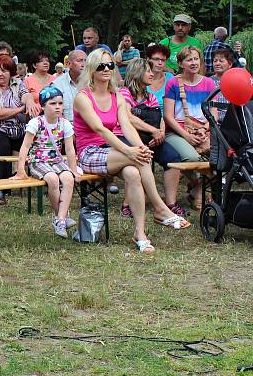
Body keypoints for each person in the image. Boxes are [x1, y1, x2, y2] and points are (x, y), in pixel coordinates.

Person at [73, 50, 189, 255]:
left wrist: (140, 147)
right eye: (101, 66)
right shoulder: (83, 97)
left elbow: (126, 126)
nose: (107, 69)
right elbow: (100, 129)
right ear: (92, 69)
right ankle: (161, 209)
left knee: (135, 171)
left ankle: (140, 234)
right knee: (138, 159)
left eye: (110, 65)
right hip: (89, 152)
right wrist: (129, 150)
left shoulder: (116, 95)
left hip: (113, 151)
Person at [119, 58, 185, 217]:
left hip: (153, 137)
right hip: (127, 137)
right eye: (148, 71)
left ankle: (171, 203)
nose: (151, 74)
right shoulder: (124, 93)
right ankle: (127, 204)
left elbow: (160, 117)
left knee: (173, 158)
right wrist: (153, 131)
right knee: (140, 157)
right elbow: (129, 118)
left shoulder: (151, 97)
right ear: (137, 73)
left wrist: (160, 133)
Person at [13, 86, 80, 237]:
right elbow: (25, 146)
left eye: (60, 103)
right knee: (52, 179)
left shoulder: (65, 124)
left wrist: (73, 169)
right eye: (52, 103)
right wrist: (21, 169)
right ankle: (62, 218)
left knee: (69, 179)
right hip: (38, 161)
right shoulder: (36, 123)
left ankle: (60, 218)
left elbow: (70, 150)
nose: (57, 107)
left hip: (56, 160)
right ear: (42, 106)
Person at [0, 56, 40, 205]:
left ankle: (33, 177)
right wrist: (20, 109)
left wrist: (30, 102)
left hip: (17, 128)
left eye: (4, 71)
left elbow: (26, 95)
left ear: (11, 73)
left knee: (35, 145)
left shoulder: (18, 83)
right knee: (2, 146)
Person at [163, 46, 214, 209]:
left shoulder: (208, 83)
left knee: (223, 157)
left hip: (203, 131)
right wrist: (186, 135)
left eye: (196, 59)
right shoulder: (173, 83)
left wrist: (205, 130)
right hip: (178, 132)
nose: (193, 63)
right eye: (189, 59)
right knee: (191, 158)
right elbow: (168, 116)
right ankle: (199, 185)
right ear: (180, 63)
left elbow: (213, 114)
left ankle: (197, 191)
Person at [52, 49, 86, 122]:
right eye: (79, 61)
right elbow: (55, 111)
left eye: (85, 61)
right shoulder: (57, 84)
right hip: (66, 128)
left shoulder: (92, 83)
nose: (83, 64)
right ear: (68, 64)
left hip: (90, 126)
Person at [145, 44, 173, 110]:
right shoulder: (140, 79)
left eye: (163, 60)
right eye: (156, 59)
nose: (160, 63)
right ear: (148, 59)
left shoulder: (170, 78)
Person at [211, 47, 234, 121]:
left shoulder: (235, 82)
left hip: (232, 121)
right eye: (215, 61)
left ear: (230, 64)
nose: (217, 63)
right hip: (213, 121)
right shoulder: (208, 81)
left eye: (221, 61)